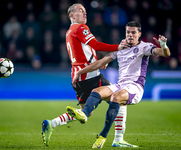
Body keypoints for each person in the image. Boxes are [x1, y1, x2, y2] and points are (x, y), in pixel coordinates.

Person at [66, 21, 171, 148]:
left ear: (139, 34)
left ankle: (103, 136)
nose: (130, 35)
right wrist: (80, 72)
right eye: (128, 32)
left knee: (116, 97)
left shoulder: (145, 47)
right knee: (97, 91)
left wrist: (164, 45)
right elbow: (101, 62)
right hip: (120, 85)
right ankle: (85, 114)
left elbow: (164, 53)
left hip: (135, 87)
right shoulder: (121, 48)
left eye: (133, 32)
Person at [41, 3, 129, 146]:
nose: (85, 13)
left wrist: (98, 61)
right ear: (72, 15)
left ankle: (51, 123)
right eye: (80, 11)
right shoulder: (80, 27)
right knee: (119, 96)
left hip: (77, 77)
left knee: (86, 111)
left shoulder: (69, 31)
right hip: (89, 74)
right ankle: (118, 139)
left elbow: (85, 51)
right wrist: (117, 47)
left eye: (85, 11)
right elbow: (96, 44)